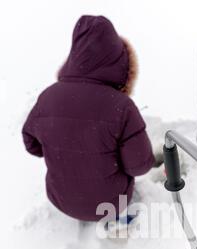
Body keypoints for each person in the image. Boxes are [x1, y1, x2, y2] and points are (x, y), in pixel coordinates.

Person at [22, 15, 155, 222]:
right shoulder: (121, 107)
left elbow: (32, 145)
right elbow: (139, 165)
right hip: (111, 203)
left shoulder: (47, 97)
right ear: (120, 61)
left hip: (60, 200)